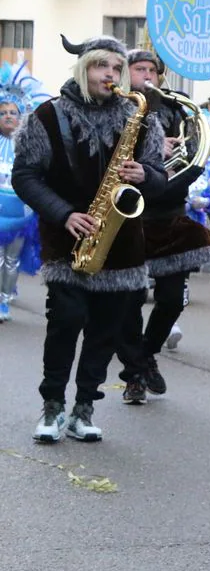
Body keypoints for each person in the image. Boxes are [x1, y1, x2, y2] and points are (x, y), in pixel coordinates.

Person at [14, 34, 166, 442]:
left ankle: (84, 408)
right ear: (84, 69)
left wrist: (145, 176)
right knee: (65, 321)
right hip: (67, 241)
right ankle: (52, 407)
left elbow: (160, 178)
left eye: (117, 68)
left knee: (105, 329)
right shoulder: (47, 116)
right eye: (103, 67)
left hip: (123, 244)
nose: (111, 76)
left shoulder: (141, 116)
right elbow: (25, 175)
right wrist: (64, 213)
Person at [116, 49, 210, 403]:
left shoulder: (176, 110)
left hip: (169, 210)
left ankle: (145, 354)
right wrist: (152, 153)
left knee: (172, 299)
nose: (147, 75)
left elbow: (194, 157)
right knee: (129, 301)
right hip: (130, 214)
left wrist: (173, 155)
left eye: (152, 70)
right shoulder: (120, 110)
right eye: (139, 69)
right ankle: (134, 375)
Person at [0, 60, 44, 322]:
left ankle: (5, 301)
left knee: (11, 259)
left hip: (19, 211)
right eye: (2, 112)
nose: (7, 116)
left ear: (21, 116)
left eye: (12, 112)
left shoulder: (28, 145)